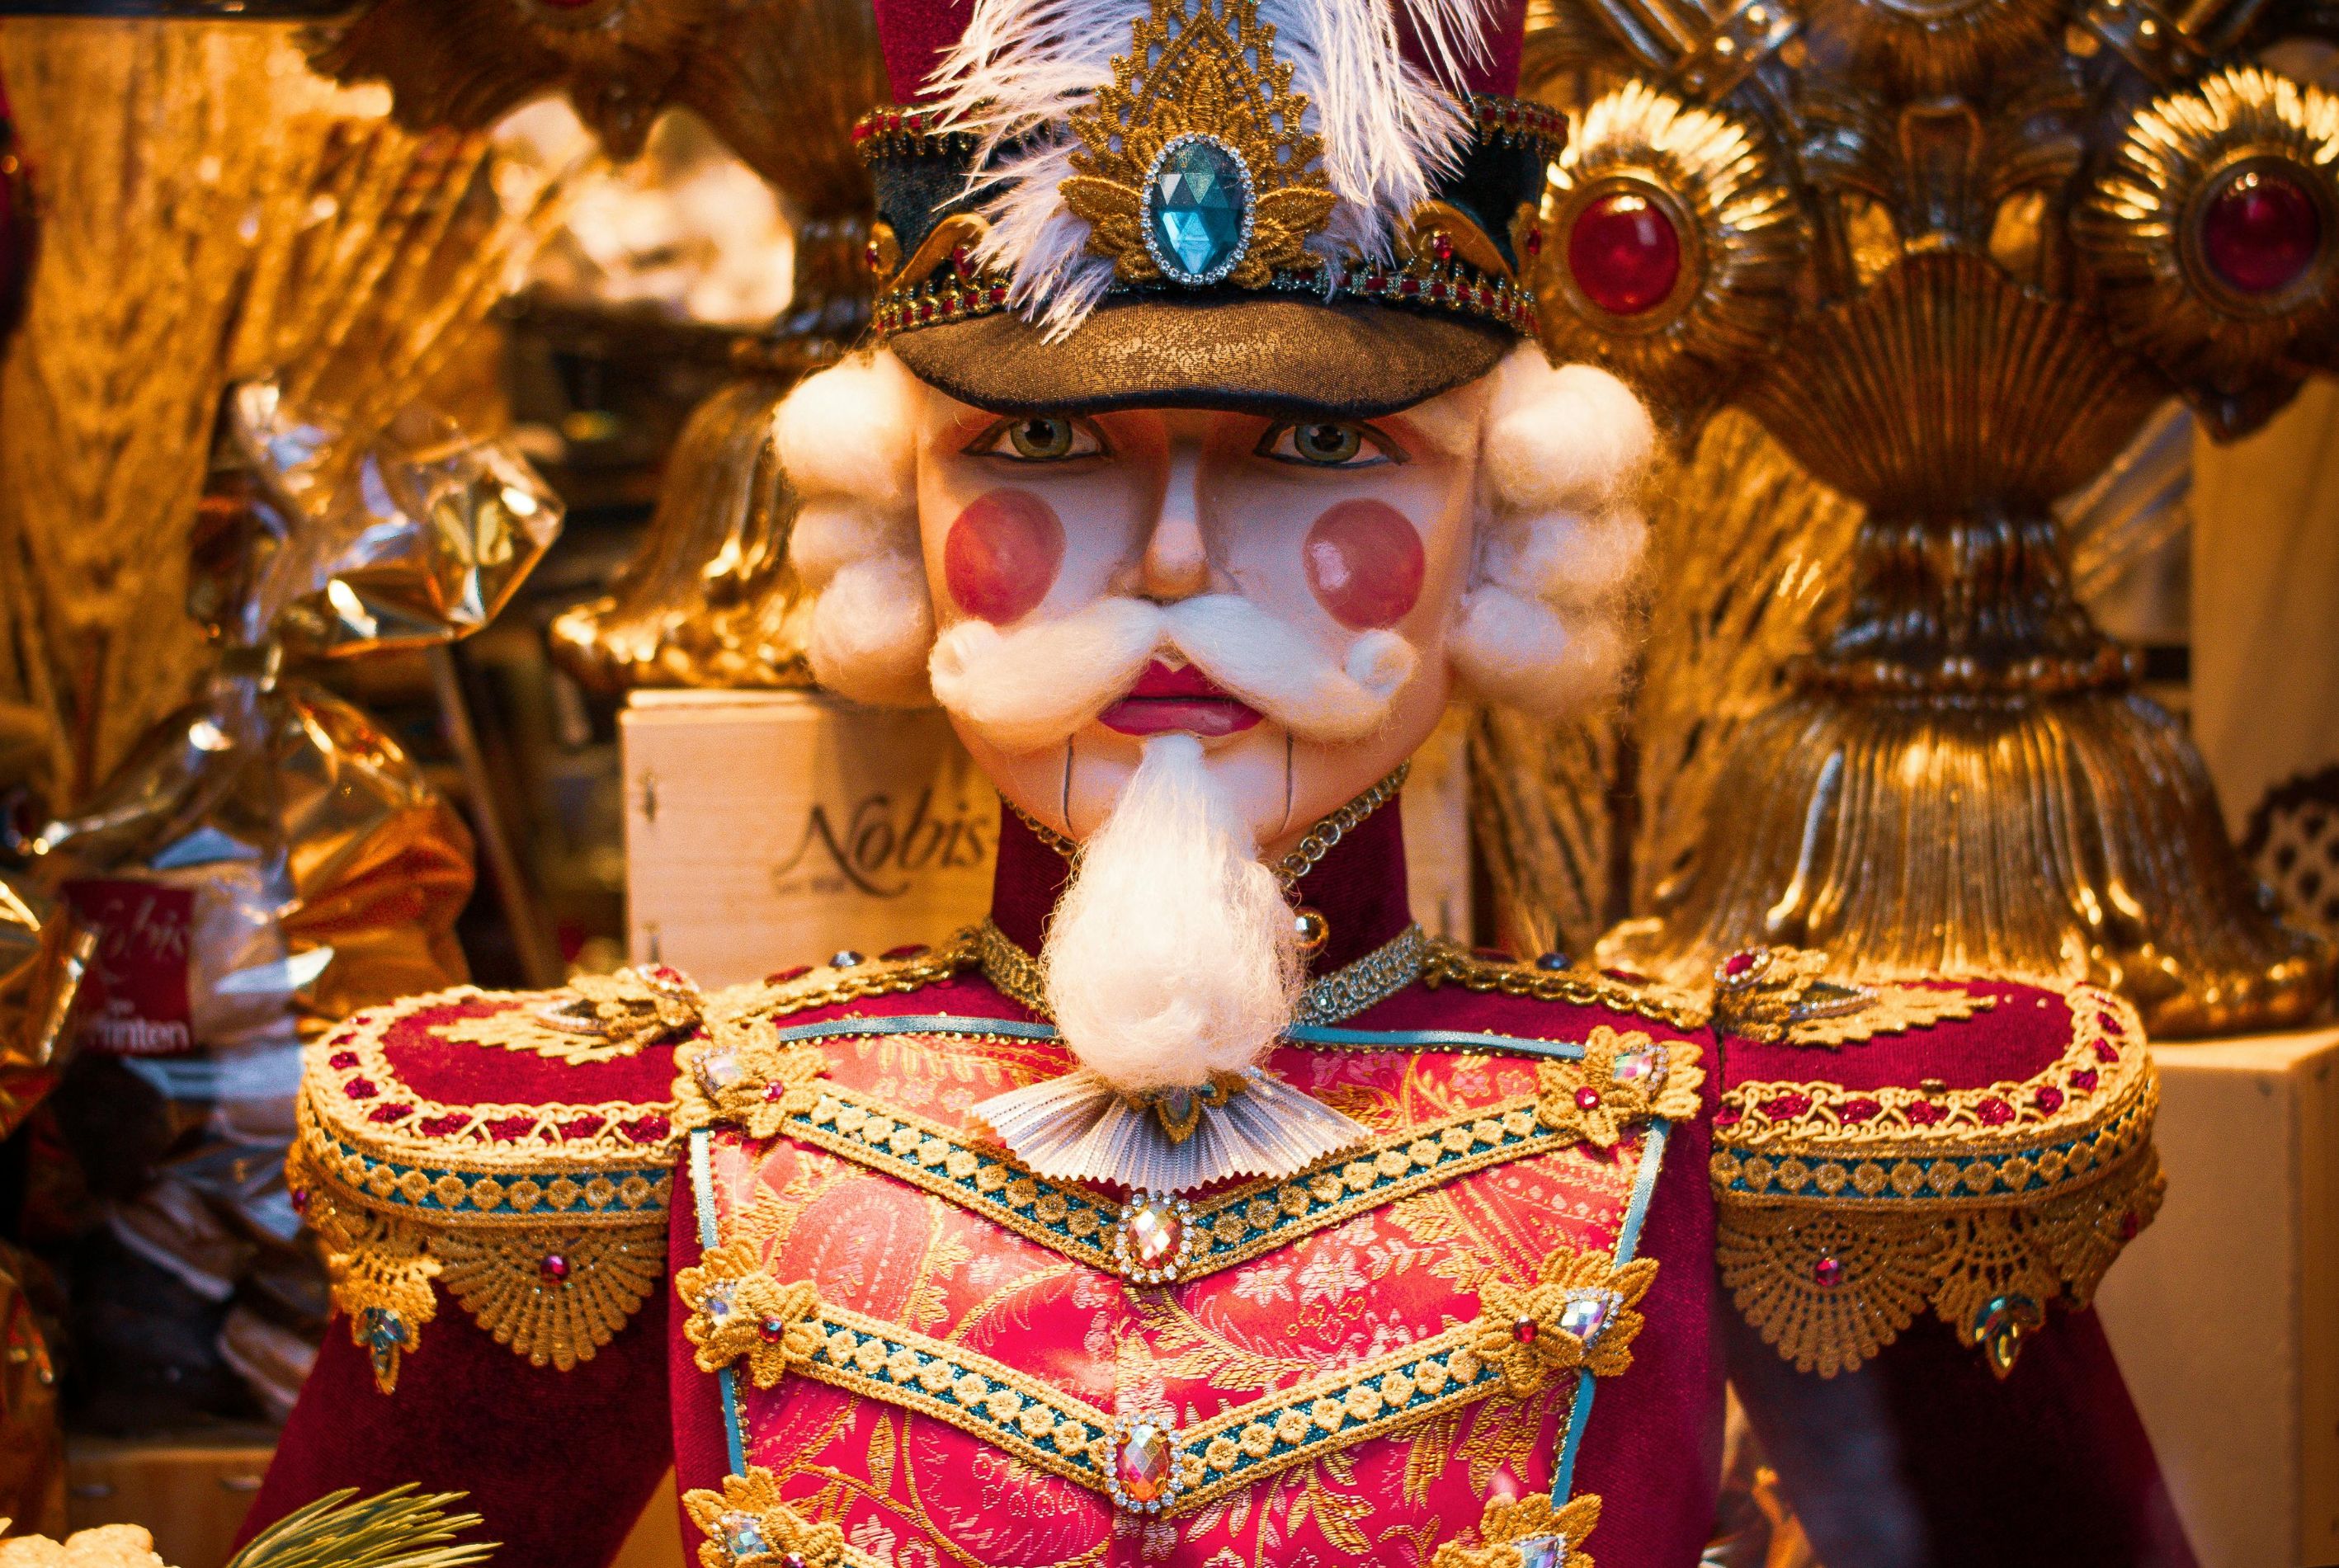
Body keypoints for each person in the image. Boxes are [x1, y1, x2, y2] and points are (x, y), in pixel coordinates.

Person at [246, 0, 2196, 1561]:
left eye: (1314, 456)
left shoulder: (1781, 1147)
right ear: (893, 518)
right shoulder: (591, 1162)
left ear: (1501, 536)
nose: (1172, 554)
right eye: (1042, 446)